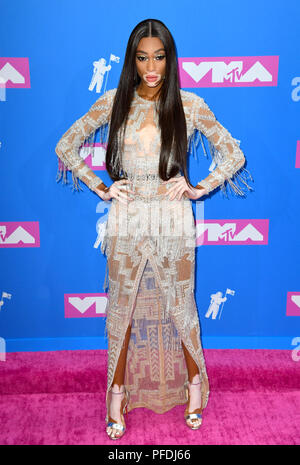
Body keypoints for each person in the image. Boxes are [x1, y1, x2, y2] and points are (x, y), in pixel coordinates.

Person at [55, 19, 253, 440]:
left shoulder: (189, 104)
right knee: (121, 313)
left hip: (173, 221)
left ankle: (193, 387)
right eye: (142, 57)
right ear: (131, 59)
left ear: (170, 59)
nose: (151, 67)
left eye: (159, 57)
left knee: (181, 309)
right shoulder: (113, 102)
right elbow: (66, 144)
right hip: (126, 220)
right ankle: (117, 393)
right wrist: (101, 187)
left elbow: (233, 154)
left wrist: (198, 188)